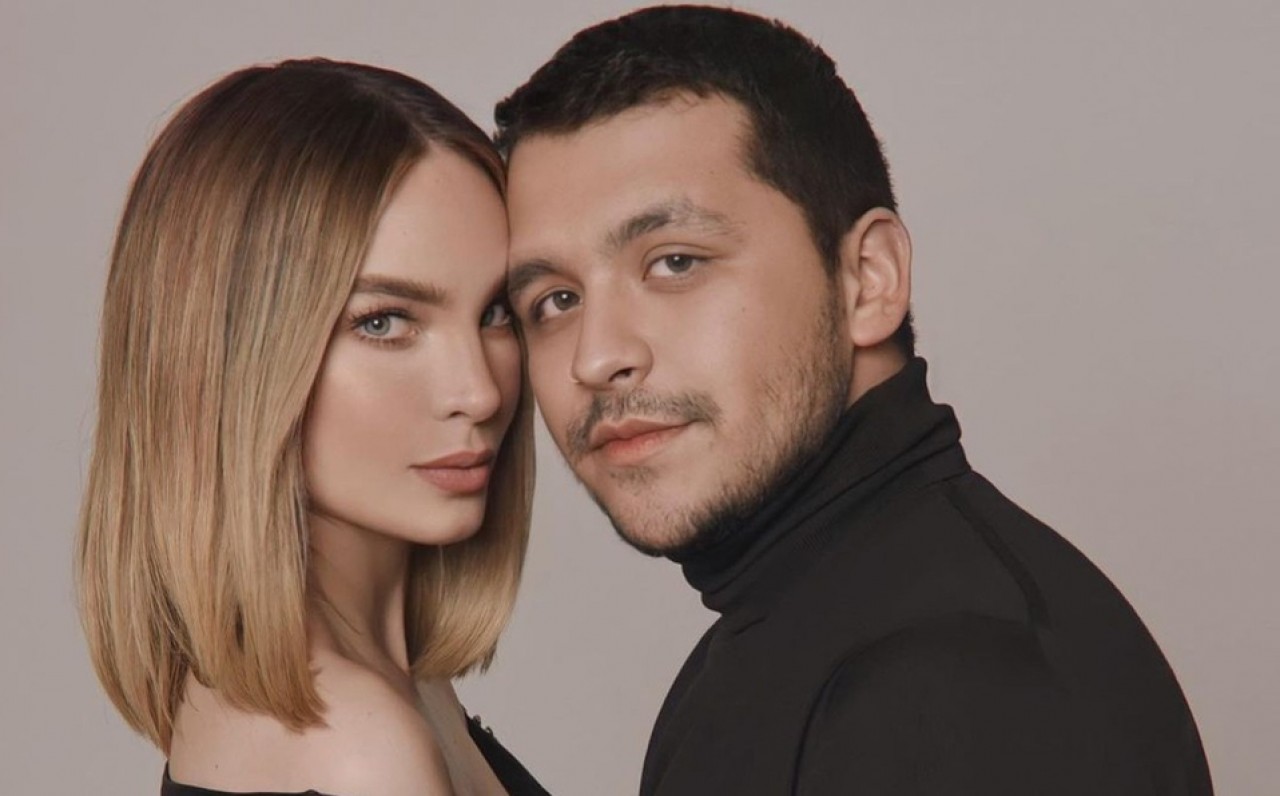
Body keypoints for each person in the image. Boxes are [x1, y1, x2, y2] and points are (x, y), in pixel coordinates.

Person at [495, 5, 1212, 794]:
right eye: (555, 300)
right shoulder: (787, 638)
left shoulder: (953, 678)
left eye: (675, 263)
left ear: (868, 280)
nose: (597, 357)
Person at [77, 59, 548, 796]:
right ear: (233, 358)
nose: (480, 392)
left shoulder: (387, 686)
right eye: (384, 322)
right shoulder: (360, 750)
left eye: (494, 312)